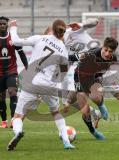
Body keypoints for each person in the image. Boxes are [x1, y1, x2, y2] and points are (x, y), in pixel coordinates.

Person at [7, 19, 75, 151]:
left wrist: (13, 27)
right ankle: (66, 142)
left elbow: (15, 42)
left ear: (52, 29)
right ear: (62, 33)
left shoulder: (40, 38)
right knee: (56, 113)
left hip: (31, 83)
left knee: (18, 116)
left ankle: (18, 132)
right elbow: (63, 77)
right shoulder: (63, 51)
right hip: (48, 86)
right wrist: (65, 99)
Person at [64, 37, 119, 140]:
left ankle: (101, 106)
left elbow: (109, 72)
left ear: (114, 51)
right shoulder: (90, 55)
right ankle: (93, 131)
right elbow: (70, 57)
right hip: (80, 77)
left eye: (110, 51)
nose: (107, 53)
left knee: (95, 97)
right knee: (84, 111)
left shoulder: (113, 59)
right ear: (102, 47)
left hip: (95, 77)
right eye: (105, 50)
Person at [0, 16, 28, 129]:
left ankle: (14, 120)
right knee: (1, 97)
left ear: (7, 25)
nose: (2, 25)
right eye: (0, 24)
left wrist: (28, 67)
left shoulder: (14, 38)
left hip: (12, 71)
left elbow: (22, 53)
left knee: (13, 93)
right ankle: (4, 121)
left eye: (4, 24)